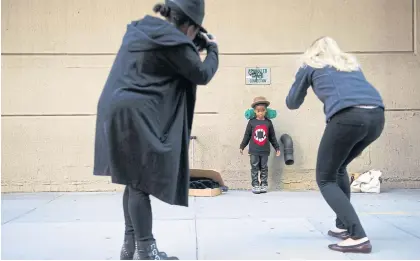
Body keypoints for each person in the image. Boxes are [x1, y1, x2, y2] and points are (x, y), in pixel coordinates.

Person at [92, 0, 219, 259]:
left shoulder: (143, 31)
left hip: (112, 109)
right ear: (192, 25)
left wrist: (193, 45)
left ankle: (130, 248)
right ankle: (147, 252)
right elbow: (201, 74)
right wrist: (213, 48)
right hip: (134, 112)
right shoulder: (175, 41)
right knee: (139, 184)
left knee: (131, 180)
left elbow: (164, 65)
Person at [286, 36, 385, 253]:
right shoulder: (351, 65)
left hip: (347, 117)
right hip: (376, 117)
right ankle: (343, 227)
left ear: (312, 53)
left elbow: (292, 103)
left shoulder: (310, 64)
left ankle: (357, 236)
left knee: (325, 177)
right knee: (338, 167)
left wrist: (299, 76)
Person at [240, 97, 281, 194]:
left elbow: (272, 136)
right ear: (254, 111)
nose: (260, 113)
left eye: (263, 111)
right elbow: (247, 135)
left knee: (264, 168)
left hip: (265, 150)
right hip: (254, 150)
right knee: (254, 167)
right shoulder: (251, 122)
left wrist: (277, 148)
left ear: (266, 111)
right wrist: (242, 146)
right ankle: (255, 184)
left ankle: (264, 184)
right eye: (258, 111)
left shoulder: (268, 122)